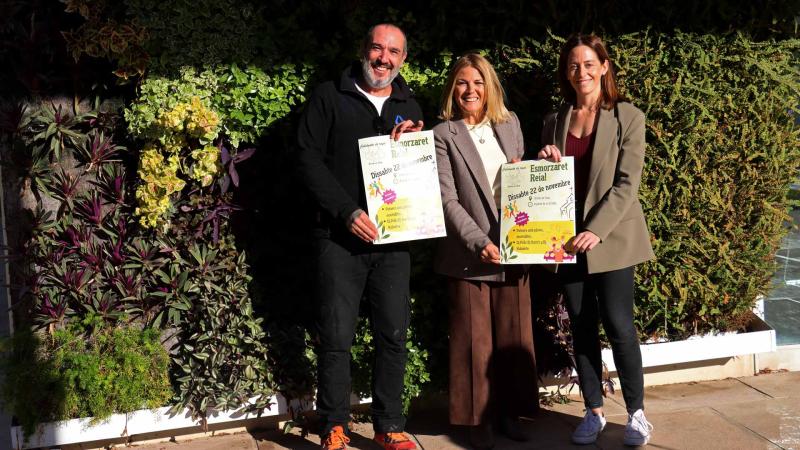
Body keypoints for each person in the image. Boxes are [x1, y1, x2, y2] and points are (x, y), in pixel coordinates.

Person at [296, 23, 424, 450]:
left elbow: (418, 172)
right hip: (339, 238)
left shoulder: (409, 105)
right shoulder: (328, 96)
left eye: (393, 52)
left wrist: (415, 147)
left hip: (394, 241)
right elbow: (308, 160)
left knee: (393, 334)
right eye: (377, 48)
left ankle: (389, 426)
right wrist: (346, 211)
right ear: (363, 49)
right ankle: (334, 425)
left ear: (403, 59)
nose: (383, 58)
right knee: (336, 337)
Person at [537, 34, 656, 446]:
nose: (581, 72)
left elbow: (626, 184)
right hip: (566, 240)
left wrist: (596, 230)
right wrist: (544, 163)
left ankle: (637, 414)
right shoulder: (554, 120)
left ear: (604, 67)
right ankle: (593, 411)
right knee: (581, 327)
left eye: (589, 64)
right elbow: (548, 183)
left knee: (620, 325)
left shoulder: (628, 117)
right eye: (573, 65)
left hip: (612, 237)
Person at [433, 53, 538, 450]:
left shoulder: (510, 124)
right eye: (462, 83)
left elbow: (524, 181)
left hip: (515, 248)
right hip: (469, 253)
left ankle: (510, 413)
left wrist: (539, 167)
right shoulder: (443, 134)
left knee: (513, 334)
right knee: (473, 341)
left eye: (478, 83)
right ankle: (478, 422)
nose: (470, 90)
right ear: (452, 89)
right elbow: (447, 199)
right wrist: (479, 242)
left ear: (490, 87)